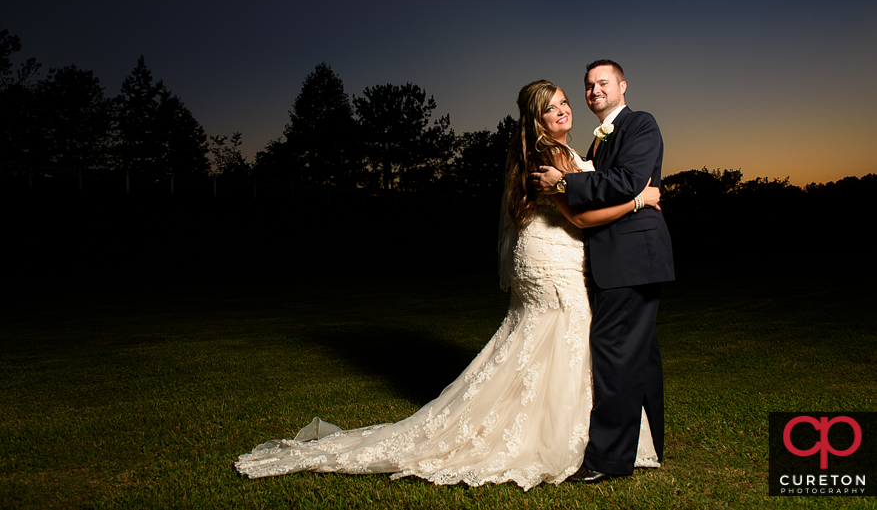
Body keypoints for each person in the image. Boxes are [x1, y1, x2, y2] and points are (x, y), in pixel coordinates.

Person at [235, 80, 662, 490]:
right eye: (551, 107)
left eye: (564, 101)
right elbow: (582, 218)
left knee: (539, 345)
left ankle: (562, 430)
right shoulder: (549, 154)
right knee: (566, 339)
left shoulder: (559, 149)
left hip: (544, 255)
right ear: (536, 120)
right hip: (553, 261)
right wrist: (641, 200)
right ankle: (562, 440)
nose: (564, 109)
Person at [530, 61, 675, 484]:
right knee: (641, 356)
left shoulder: (640, 124)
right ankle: (650, 447)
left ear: (622, 86)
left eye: (603, 83)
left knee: (612, 352)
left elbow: (628, 180)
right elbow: (613, 189)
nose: (594, 90)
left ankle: (607, 461)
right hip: (625, 258)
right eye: (589, 85)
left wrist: (563, 184)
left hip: (632, 257)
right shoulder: (595, 145)